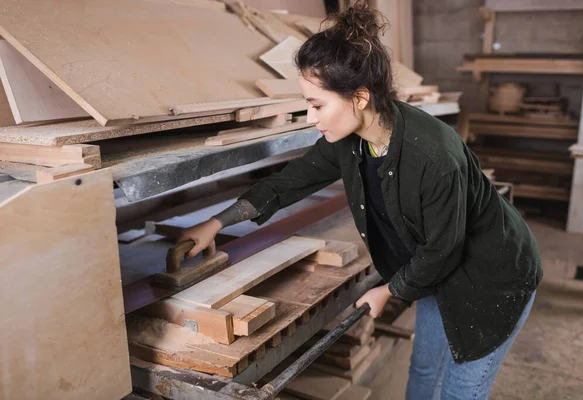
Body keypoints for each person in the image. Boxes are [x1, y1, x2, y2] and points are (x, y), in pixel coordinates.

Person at [179, 2, 542, 399]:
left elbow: (442, 249)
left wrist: (389, 291)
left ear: (360, 97)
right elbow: (289, 182)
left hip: (492, 277)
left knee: (458, 392)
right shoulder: (349, 142)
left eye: (317, 105)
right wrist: (215, 223)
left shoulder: (435, 157)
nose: (311, 117)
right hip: (439, 269)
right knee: (423, 372)